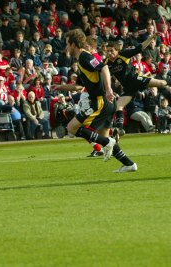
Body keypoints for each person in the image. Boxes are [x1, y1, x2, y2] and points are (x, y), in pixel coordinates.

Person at [51, 29, 137, 173]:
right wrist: (60, 86)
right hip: (106, 102)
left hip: (100, 101)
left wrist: (109, 89)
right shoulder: (82, 59)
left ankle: (107, 142)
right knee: (103, 136)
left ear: (73, 44)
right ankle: (129, 164)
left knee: (72, 127)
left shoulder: (84, 56)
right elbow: (79, 85)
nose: (66, 47)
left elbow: (104, 68)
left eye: (67, 44)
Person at [105, 34, 168, 141]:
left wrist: (151, 37)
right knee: (118, 106)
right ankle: (119, 129)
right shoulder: (107, 63)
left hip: (136, 80)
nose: (110, 53)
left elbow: (140, 47)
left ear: (117, 50)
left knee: (162, 84)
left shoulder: (123, 55)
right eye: (108, 51)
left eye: (112, 51)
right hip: (129, 88)